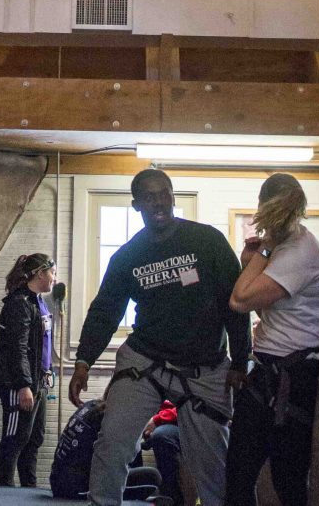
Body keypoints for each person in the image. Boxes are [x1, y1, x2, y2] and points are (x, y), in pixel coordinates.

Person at [69, 168, 249, 506]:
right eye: (150, 197)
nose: (159, 202)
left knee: (212, 466)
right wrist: (83, 362)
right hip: (145, 362)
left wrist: (241, 360)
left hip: (205, 367)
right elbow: (105, 311)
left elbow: (235, 302)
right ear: (137, 205)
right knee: (112, 441)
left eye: (164, 193)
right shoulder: (127, 257)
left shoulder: (206, 241)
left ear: (173, 196)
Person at [223, 175, 319, 506]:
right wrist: (256, 257)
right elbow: (257, 297)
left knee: (288, 479)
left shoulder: (299, 250)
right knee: (239, 475)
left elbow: (239, 299)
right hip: (267, 373)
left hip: (293, 379)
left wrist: (264, 248)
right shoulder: (283, 247)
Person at [0, 251, 56, 487]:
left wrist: (45, 374)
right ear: (39, 274)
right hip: (18, 382)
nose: (54, 279)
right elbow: (18, 348)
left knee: (34, 438)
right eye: (52, 273)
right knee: (15, 438)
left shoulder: (38, 301)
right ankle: (4, 493)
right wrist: (23, 386)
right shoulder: (19, 303)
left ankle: (29, 491)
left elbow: (41, 345)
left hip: (37, 381)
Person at [49, 398, 168, 503]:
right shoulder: (112, 419)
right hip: (78, 489)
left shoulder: (91, 405)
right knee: (153, 477)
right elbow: (119, 463)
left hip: (57, 481)